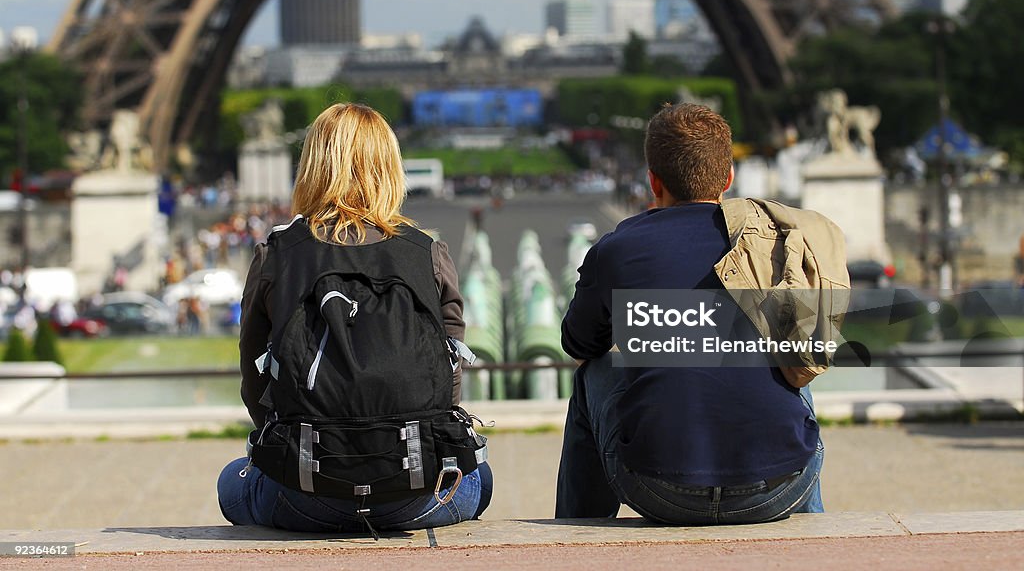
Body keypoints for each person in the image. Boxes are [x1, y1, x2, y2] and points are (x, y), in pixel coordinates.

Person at [556, 103, 849, 524]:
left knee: (594, 374)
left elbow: (579, 344)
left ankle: (578, 528)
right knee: (794, 365)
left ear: (653, 181)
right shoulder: (768, 243)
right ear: (728, 177)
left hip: (657, 487)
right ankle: (813, 533)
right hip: (782, 488)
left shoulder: (616, 248)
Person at [218, 103, 491, 532]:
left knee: (230, 481)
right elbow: (448, 383)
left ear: (312, 166)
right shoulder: (428, 254)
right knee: (481, 477)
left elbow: (256, 386)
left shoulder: (275, 255)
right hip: (416, 491)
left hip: (305, 490)